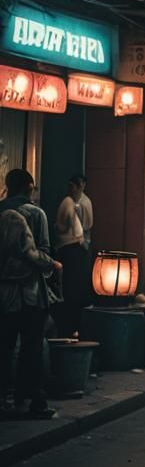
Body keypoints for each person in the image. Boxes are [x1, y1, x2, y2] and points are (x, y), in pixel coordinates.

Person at [0, 169, 58, 418]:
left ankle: (4, 399)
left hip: (3, 293)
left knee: (4, 346)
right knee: (32, 347)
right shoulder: (36, 213)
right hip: (32, 292)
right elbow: (44, 251)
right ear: (29, 187)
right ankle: (34, 400)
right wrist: (51, 265)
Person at [53, 176, 90, 336]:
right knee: (73, 287)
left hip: (68, 248)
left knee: (69, 287)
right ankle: (72, 326)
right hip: (74, 248)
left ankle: (69, 325)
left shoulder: (72, 202)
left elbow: (62, 226)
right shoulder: (72, 202)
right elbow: (80, 227)